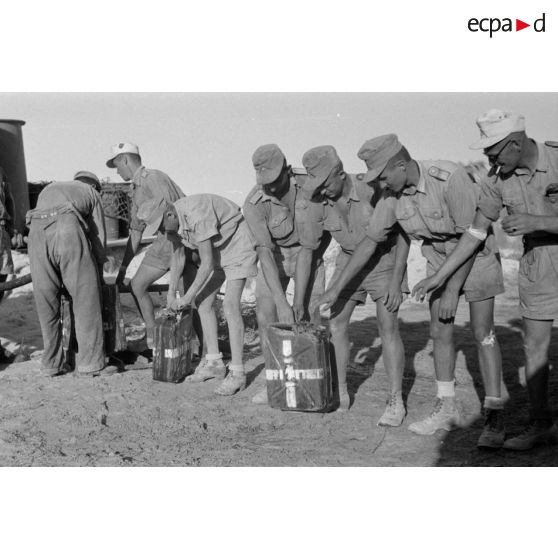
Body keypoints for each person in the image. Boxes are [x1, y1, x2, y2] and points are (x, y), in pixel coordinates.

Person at [318, 135, 507, 448]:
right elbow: (372, 241)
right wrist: (336, 288)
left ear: (401, 165)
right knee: (439, 331)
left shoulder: (448, 178)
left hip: (476, 254)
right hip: (438, 257)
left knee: (482, 332)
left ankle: (495, 416)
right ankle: (445, 406)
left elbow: (471, 236)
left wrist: (450, 290)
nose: (380, 183)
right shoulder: (392, 196)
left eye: (383, 175)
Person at [413, 110, 558, 450]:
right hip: (538, 263)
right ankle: (541, 424)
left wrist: (539, 221)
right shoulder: (495, 180)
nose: (488, 158)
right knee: (534, 346)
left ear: (515, 143)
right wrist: (440, 275)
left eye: (492, 151)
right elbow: (476, 231)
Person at [301, 145, 409, 421]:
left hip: (385, 261)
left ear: (340, 172)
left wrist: (397, 279)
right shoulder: (317, 202)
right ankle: (341, 392)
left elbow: (403, 235)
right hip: (348, 262)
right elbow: (309, 250)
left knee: (387, 326)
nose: (322, 192)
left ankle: (395, 400)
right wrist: (300, 301)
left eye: (325, 184)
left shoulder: (371, 189)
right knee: (336, 323)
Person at [138, 193, 258, 396]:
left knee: (230, 305)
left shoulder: (196, 215)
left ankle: (238, 372)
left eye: (159, 226)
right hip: (219, 248)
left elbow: (207, 263)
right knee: (203, 302)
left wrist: (186, 298)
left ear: (169, 214)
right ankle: (214, 363)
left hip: (238, 243)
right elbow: (177, 257)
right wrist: (171, 293)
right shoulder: (173, 223)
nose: (160, 231)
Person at [243, 144, 329, 404]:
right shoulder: (254, 203)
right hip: (275, 258)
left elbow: (311, 244)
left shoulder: (309, 186)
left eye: (273, 181)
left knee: (312, 313)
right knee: (266, 314)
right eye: (263, 182)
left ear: (288, 171)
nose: (268, 188)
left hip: (309, 254)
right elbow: (265, 254)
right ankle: (274, 378)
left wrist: (298, 302)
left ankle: (316, 377)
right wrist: (283, 303)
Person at [26, 171, 117, 376]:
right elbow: (98, 238)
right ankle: (91, 363)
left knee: (47, 301)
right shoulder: (90, 193)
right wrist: (99, 267)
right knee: (86, 299)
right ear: (95, 186)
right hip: (66, 228)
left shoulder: (50, 187)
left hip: (36, 234)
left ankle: (51, 364)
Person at [107, 142, 185, 349]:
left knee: (143, 286)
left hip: (177, 238)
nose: (117, 171)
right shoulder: (136, 187)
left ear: (125, 159)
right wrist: (122, 270)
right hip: (165, 240)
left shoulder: (153, 178)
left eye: (117, 165)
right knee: (137, 285)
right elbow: (135, 232)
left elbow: (173, 213)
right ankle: (154, 338)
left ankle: (159, 338)